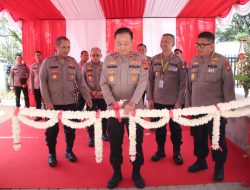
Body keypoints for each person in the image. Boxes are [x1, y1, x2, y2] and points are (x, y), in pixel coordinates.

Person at [100, 27, 148, 189]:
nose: (122, 47)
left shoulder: (141, 59)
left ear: (132, 42)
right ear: (114, 42)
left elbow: (143, 83)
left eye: (126, 43)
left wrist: (133, 102)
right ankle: (116, 172)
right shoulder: (108, 59)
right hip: (114, 111)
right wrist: (110, 101)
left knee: (137, 142)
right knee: (114, 142)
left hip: (135, 110)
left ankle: (136, 172)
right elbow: (103, 83)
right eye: (119, 43)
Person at [185, 31, 235, 181]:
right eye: (197, 44)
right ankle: (201, 161)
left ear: (211, 46)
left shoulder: (222, 62)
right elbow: (189, 87)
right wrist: (188, 106)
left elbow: (228, 88)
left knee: (217, 140)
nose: (198, 47)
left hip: (215, 112)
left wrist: (228, 109)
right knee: (198, 138)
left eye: (202, 44)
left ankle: (219, 166)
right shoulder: (193, 61)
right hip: (197, 110)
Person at [40, 36, 92, 167]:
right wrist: (47, 101)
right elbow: (43, 83)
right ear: (56, 47)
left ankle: (69, 151)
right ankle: (51, 153)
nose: (66, 50)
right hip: (53, 103)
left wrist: (87, 97)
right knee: (51, 131)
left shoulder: (73, 62)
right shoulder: (47, 62)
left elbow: (80, 81)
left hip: (70, 103)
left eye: (68, 47)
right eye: (63, 47)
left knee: (70, 130)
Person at [147, 33, 186, 165]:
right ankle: (160, 151)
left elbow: (183, 84)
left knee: (175, 130)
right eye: (162, 41)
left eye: (167, 41)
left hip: (173, 102)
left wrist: (179, 101)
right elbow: (150, 80)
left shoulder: (179, 61)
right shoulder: (154, 59)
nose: (163, 43)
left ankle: (177, 152)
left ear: (173, 44)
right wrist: (150, 98)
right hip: (157, 100)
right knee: (159, 129)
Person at [83, 47, 108, 147]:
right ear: (90, 56)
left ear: (101, 56)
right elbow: (83, 82)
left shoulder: (105, 66)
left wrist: (102, 92)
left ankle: (103, 133)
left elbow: (109, 81)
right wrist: (90, 92)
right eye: (93, 55)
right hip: (91, 97)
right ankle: (91, 137)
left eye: (97, 55)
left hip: (103, 96)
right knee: (91, 117)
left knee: (104, 117)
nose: (95, 57)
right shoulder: (85, 66)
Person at [30, 51, 43, 121]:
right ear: (35, 57)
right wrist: (31, 87)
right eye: (36, 55)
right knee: (37, 101)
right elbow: (31, 77)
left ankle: (47, 116)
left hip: (44, 86)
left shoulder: (45, 64)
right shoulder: (33, 66)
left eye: (39, 55)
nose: (38, 56)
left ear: (42, 56)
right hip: (36, 86)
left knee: (46, 102)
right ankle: (39, 115)